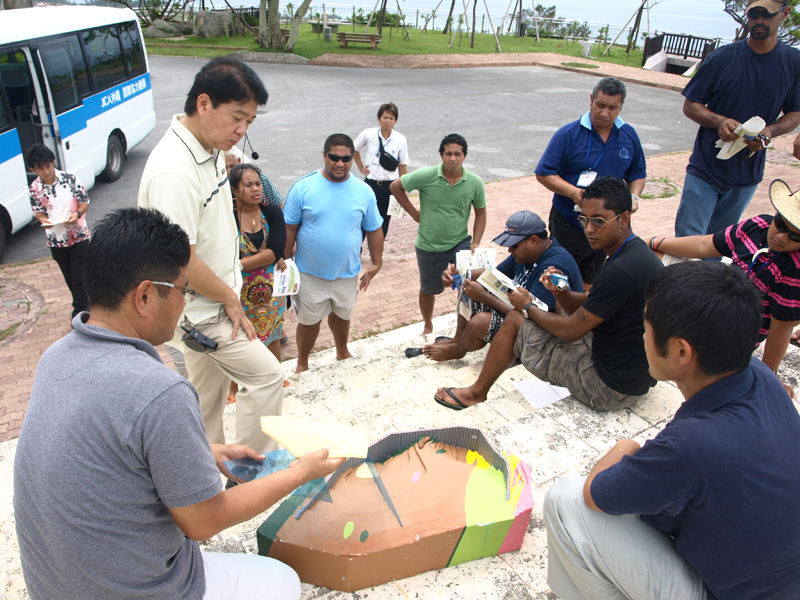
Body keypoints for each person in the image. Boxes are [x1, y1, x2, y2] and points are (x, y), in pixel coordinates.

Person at [13, 207, 344, 600]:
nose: (185, 303)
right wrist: (300, 473)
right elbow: (203, 521)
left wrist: (209, 451)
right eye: (184, 291)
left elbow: (111, 448)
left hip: (54, 587)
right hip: (142, 591)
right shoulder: (160, 391)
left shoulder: (56, 357)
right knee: (284, 581)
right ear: (146, 295)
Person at [543, 260, 800, 600]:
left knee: (566, 500)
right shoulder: (761, 376)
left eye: (647, 326)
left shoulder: (692, 445)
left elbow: (596, 496)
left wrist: (626, 446)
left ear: (681, 351)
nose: (643, 334)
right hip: (780, 581)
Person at [138, 56, 283, 454]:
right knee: (266, 376)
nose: (242, 131)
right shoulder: (174, 172)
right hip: (203, 310)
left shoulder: (211, 146)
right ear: (204, 104)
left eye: (250, 121)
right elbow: (180, 260)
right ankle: (250, 470)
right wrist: (229, 296)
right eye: (237, 117)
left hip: (215, 298)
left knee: (205, 401)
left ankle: (203, 470)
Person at [434, 177, 663, 411]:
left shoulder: (618, 270)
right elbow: (585, 303)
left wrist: (527, 306)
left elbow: (571, 330)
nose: (589, 229)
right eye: (584, 220)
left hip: (608, 388)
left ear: (624, 219)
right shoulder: (634, 255)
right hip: (632, 374)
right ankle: (460, 348)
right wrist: (561, 291)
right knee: (517, 314)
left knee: (515, 320)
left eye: (598, 221)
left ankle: (476, 393)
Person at [650, 178, 800, 397]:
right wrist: (654, 242)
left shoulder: (795, 269)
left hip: (734, 333)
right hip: (715, 298)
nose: (781, 236)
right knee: (654, 257)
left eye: (794, 235)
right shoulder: (758, 225)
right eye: (781, 224)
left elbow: (781, 328)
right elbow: (705, 245)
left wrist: (769, 376)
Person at [674, 0, 800, 238]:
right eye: (754, 13)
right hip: (705, 169)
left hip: (746, 175)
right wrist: (719, 121)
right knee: (687, 241)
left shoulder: (793, 63)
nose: (759, 20)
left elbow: (795, 113)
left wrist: (770, 131)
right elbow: (691, 106)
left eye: (767, 14)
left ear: (784, 13)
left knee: (721, 244)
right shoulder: (722, 58)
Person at [414, 210, 583, 362]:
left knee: (481, 322)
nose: (510, 250)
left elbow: (535, 317)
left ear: (533, 240)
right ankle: (458, 339)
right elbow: (492, 276)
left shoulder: (552, 266)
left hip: (546, 332)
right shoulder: (527, 253)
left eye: (514, 245)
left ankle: (459, 350)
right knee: (469, 284)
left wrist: (485, 297)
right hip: (524, 312)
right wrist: (460, 274)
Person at [284, 133, 384, 373]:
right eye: (334, 158)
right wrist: (286, 262)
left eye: (346, 158)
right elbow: (289, 228)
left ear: (352, 158)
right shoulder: (303, 187)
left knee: (342, 314)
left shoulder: (364, 191)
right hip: (310, 273)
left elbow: (374, 228)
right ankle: (302, 363)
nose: (340, 163)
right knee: (309, 321)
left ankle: (342, 351)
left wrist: (376, 264)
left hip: (347, 272)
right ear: (324, 156)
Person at [535, 77, 646, 284]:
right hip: (570, 221)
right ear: (591, 100)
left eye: (613, 108)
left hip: (606, 225)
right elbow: (544, 173)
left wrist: (633, 197)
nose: (605, 113)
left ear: (621, 107)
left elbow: (637, 174)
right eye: (600, 105)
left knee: (592, 277)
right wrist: (574, 193)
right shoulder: (569, 134)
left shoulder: (628, 135)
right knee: (560, 278)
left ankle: (582, 311)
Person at [390, 133, 487, 335]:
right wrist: (414, 213)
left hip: (460, 242)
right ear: (441, 155)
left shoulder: (475, 182)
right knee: (428, 289)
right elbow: (395, 187)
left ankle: (468, 324)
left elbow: (481, 213)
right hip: (428, 244)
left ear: (464, 156)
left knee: (469, 284)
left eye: (457, 154)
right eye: (448, 153)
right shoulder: (426, 176)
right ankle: (427, 325)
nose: (453, 158)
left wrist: (475, 242)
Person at [230, 163, 288, 397]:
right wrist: (266, 258)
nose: (256, 189)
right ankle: (233, 387)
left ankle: (276, 376)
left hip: (272, 290)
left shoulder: (272, 212)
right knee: (238, 339)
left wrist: (238, 265)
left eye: (258, 184)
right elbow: (225, 252)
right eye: (248, 185)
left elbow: (276, 250)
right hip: (240, 292)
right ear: (235, 190)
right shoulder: (229, 217)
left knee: (273, 333)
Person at [26, 143, 91, 319]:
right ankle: (85, 303)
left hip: (78, 237)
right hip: (56, 239)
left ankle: (80, 311)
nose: (46, 171)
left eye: (48, 166)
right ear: (33, 169)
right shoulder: (35, 188)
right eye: (41, 168)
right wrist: (43, 220)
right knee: (70, 278)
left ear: (53, 162)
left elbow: (84, 201)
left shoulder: (70, 179)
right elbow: (38, 210)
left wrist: (77, 213)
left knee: (79, 278)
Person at [353, 102, 410, 239]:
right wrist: (361, 167)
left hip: (390, 186)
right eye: (385, 117)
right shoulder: (369, 134)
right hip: (371, 184)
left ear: (395, 120)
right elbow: (354, 149)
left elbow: (403, 166)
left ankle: (377, 251)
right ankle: (357, 249)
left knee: (384, 220)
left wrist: (402, 188)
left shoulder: (400, 139)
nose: (388, 121)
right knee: (363, 217)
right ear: (379, 118)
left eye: (391, 118)